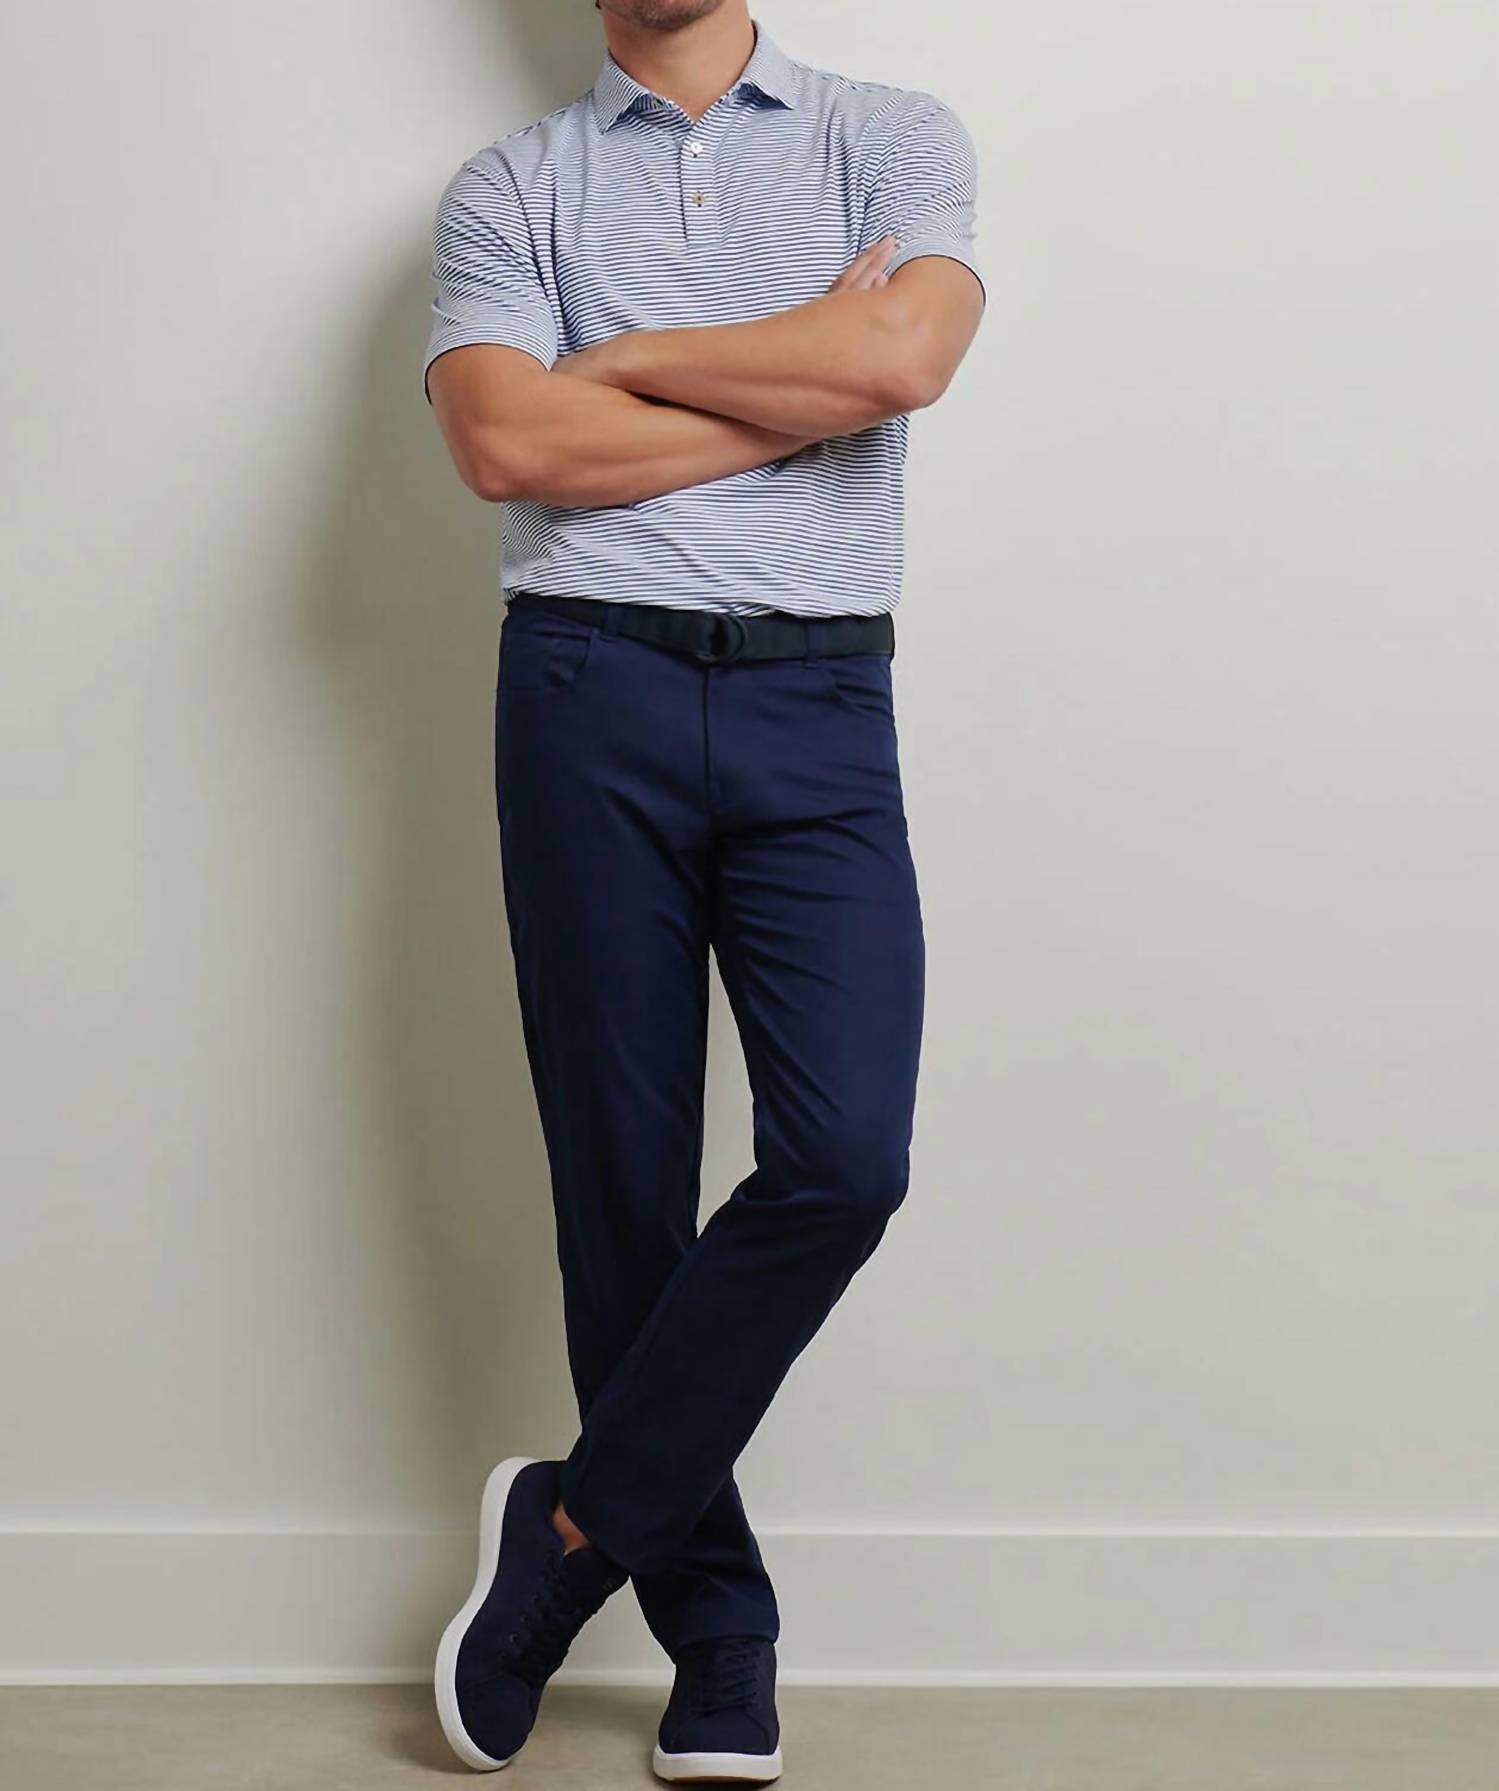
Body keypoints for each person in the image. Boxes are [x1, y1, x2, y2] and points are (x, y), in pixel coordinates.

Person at [423, 2, 983, 1780]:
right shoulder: (510, 187)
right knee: (622, 1185)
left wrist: (635, 358)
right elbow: (508, 450)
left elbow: (905, 360)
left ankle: (574, 1528)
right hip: (586, 686)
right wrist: (798, 381)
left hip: (823, 695)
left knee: (845, 1159)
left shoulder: (889, 136)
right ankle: (721, 1631)